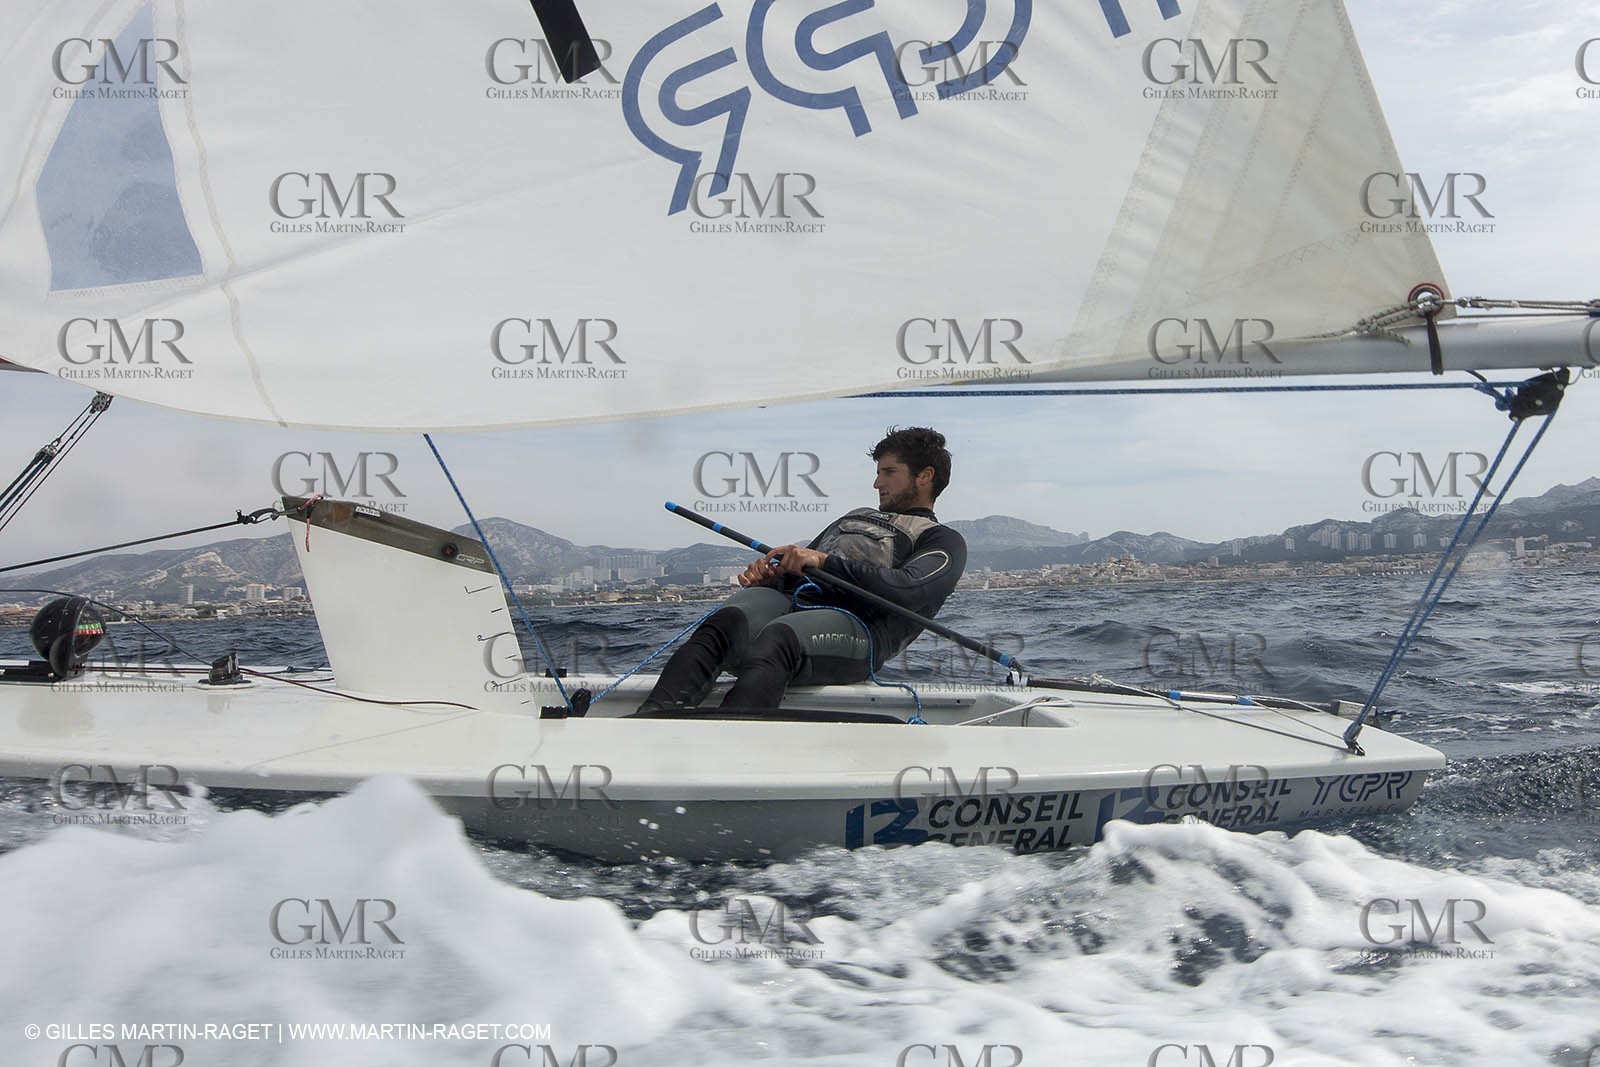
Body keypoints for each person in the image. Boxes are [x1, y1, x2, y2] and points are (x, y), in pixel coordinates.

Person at [639, 426, 967, 713]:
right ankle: (653, 719)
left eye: (888, 472)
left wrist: (822, 562)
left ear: (924, 476)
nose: (876, 482)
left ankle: (732, 740)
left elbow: (905, 589)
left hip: (861, 634)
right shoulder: (855, 515)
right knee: (724, 624)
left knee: (776, 640)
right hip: (797, 608)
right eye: (878, 472)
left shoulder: (942, 540)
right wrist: (774, 574)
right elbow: (805, 566)